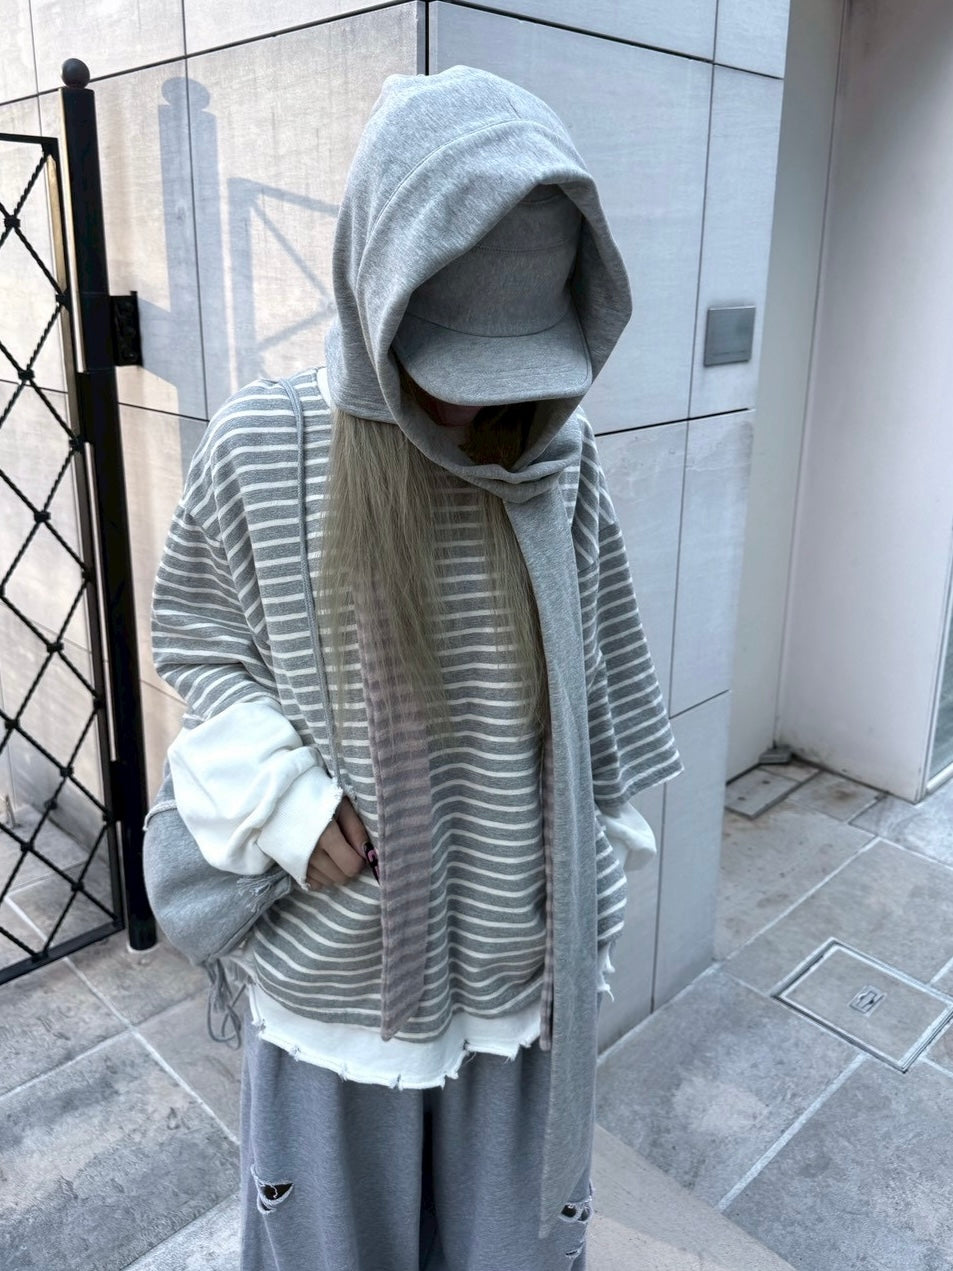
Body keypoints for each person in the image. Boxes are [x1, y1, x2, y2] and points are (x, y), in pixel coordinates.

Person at [151, 65, 683, 1271]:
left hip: (518, 983)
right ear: (373, 284)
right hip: (332, 984)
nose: (476, 408)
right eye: (452, 353)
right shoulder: (263, 448)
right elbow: (199, 641)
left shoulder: (559, 461)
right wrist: (283, 803)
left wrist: (594, 878)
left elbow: (600, 684)